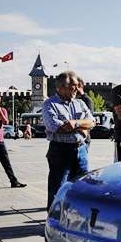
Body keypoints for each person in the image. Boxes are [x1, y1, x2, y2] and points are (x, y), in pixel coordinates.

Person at [42, 71, 95, 210]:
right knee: (58, 189)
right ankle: (54, 222)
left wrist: (75, 123)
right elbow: (54, 127)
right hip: (60, 151)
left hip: (81, 149)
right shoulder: (50, 104)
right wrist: (82, 128)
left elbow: (92, 122)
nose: (77, 89)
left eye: (77, 85)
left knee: (82, 187)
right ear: (60, 87)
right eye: (73, 86)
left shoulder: (80, 103)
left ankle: (76, 219)